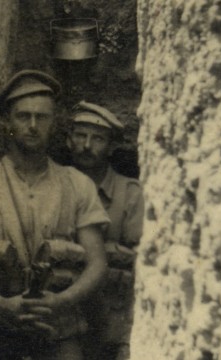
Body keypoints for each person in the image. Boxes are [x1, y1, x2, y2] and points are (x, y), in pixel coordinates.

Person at [0, 70, 110, 360]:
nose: (33, 125)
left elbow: (97, 263)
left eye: (42, 117)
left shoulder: (78, 185)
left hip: (58, 327)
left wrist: (61, 301)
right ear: (6, 121)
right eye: (23, 116)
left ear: (54, 123)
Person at [66, 101, 144, 360]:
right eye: (80, 135)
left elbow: (146, 261)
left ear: (111, 148)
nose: (87, 145)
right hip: (66, 317)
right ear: (68, 140)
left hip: (113, 320)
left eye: (98, 138)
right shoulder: (56, 186)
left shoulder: (129, 194)